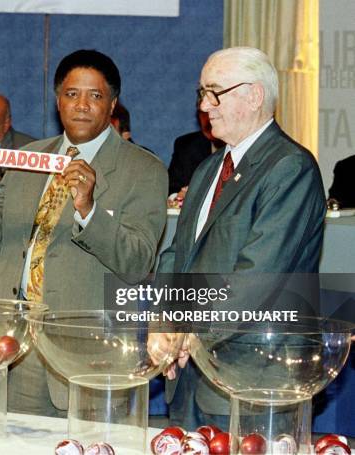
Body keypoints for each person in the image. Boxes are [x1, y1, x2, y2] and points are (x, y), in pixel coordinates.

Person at [0, 49, 168, 416]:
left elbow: (138, 262)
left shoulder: (143, 169)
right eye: (71, 94)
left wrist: (88, 208)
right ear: (57, 101)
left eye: (94, 96)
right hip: (14, 347)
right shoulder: (29, 157)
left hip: (87, 355)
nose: (81, 105)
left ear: (112, 105)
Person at [158, 47, 326, 430]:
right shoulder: (207, 170)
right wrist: (163, 323)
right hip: (191, 377)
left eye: (214, 92)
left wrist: (186, 335)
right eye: (201, 93)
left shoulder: (289, 168)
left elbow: (256, 279)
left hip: (257, 378)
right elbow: (176, 258)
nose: (204, 105)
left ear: (253, 95)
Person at [167, 110, 224, 201]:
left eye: (215, 110)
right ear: (199, 116)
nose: (210, 117)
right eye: (204, 112)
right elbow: (171, 186)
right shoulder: (186, 144)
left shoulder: (245, 143)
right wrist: (179, 197)